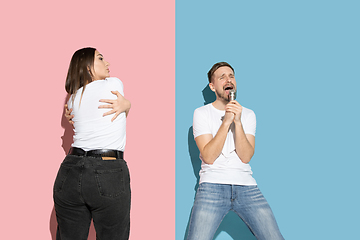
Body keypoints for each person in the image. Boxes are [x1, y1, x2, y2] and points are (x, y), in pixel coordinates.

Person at [187, 62, 284, 240]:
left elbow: (246, 156)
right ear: (212, 86)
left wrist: (237, 122)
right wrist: (226, 121)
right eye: (222, 77)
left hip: (246, 187)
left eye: (231, 76)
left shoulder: (248, 114)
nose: (228, 79)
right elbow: (208, 156)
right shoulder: (201, 113)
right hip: (211, 187)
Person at [53, 47, 131, 240]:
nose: (107, 63)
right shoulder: (113, 84)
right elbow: (118, 116)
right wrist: (128, 104)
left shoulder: (72, 100)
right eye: (101, 58)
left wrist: (126, 105)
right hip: (107, 171)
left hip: (70, 170)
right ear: (88, 66)